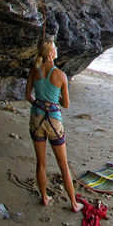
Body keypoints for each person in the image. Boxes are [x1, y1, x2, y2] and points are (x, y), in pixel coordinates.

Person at [25, 36, 83, 213]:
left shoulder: (34, 71)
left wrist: (40, 103)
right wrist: (52, 99)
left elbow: (28, 95)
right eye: (55, 47)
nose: (57, 49)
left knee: (41, 163)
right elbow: (65, 104)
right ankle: (74, 204)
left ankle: (44, 197)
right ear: (50, 54)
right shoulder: (60, 75)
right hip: (54, 121)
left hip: (36, 117)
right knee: (63, 165)